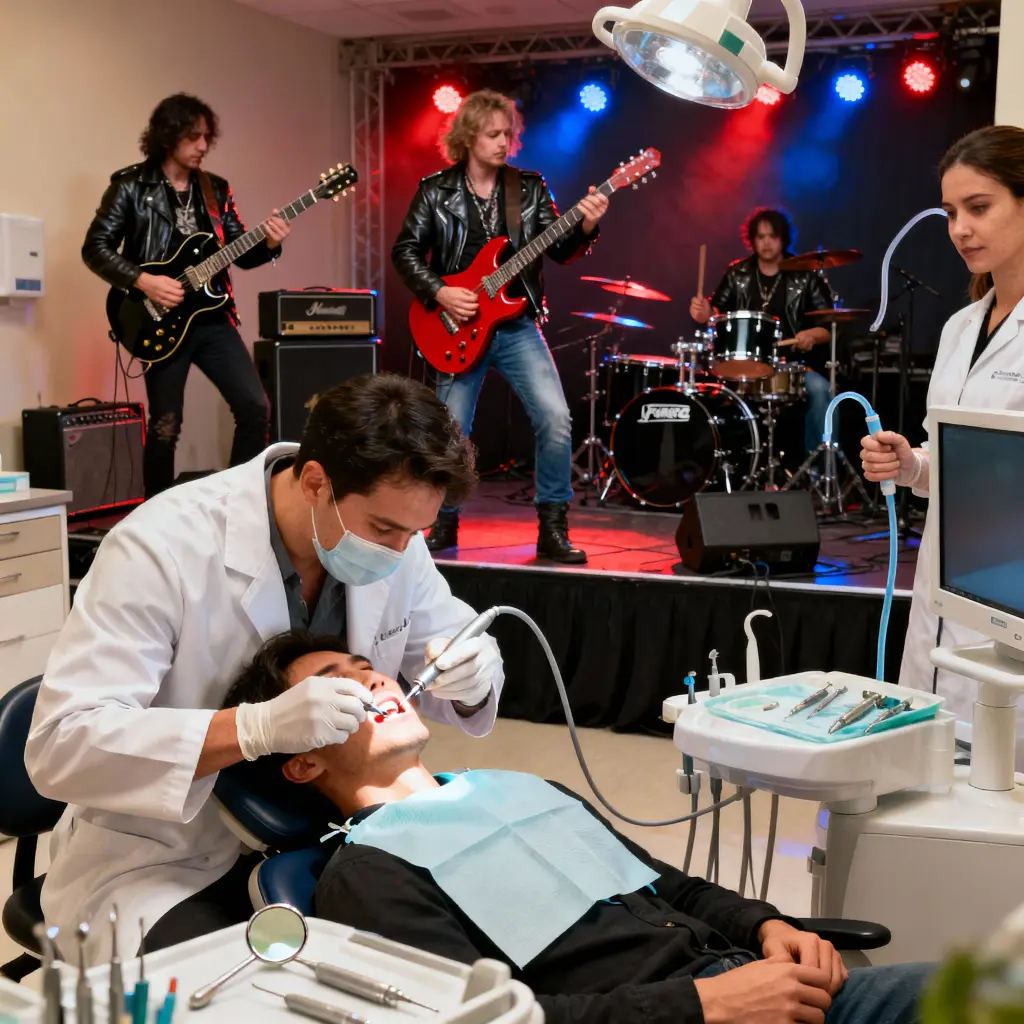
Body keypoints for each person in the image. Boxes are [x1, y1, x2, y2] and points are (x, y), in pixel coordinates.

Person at [25, 373, 505, 965]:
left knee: (415, 969)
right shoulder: (161, 545)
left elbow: (446, 641)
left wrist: (472, 676)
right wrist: (251, 730)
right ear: (314, 482)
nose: (401, 551)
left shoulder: (391, 535)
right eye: (385, 530)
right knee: (259, 993)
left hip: (325, 840)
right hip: (169, 859)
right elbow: (60, 745)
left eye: (416, 532)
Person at [222, 629, 932, 1024]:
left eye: (369, 669)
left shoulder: (517, 787)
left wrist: (767, 927)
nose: (373, 682)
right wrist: (700, 1004)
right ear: (303, 763)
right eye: (337, 687)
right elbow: (487, 1020)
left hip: (763, 984)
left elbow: (669, 888)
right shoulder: (369, 872)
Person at [862, 125, 1024, 765]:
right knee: (933, 768)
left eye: (979, 208)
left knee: (1001, 785)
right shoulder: (960, 327)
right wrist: (912, 465)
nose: (960, 229)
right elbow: (947, 460)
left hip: (1010, 586)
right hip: (942, 582)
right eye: (952, 213)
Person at [392, 89, 609, 563]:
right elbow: (405, 251)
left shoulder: (528, 188)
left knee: (555, 419)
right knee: (450, 431)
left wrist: (587, 226)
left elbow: (560, 248)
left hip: (515, 326)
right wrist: (441, 292)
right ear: (468, 136)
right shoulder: (435, 190)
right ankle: (443, 525)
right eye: (493, 134)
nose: (503, 143)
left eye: (508, 134)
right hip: (453, 324)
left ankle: (553, 527)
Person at [82, 93, 289, 498]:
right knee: (166, 425)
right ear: (168, 136)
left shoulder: (216, 189)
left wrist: (269, 244)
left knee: (254, 408)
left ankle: (238, 502)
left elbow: (240, 256)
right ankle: (155, 515)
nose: (202, 146)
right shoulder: (129, 187)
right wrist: (143, 280)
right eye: (194, 137)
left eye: (206, 138)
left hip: (214, 317)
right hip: (159, 316)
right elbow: (95, 249)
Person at [690, 208, 834, 455]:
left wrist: (811, 335)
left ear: (783, 239)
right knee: (706, 392)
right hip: (744, 364)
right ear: (752, 240)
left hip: (793, 366)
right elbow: (717, 314)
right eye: (760, 236)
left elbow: (829, 326)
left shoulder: (805, 275)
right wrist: (704, 314)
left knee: (822, 390)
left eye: (772, 236)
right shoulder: (738, 273)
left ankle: (819, 472)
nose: (766, 242)